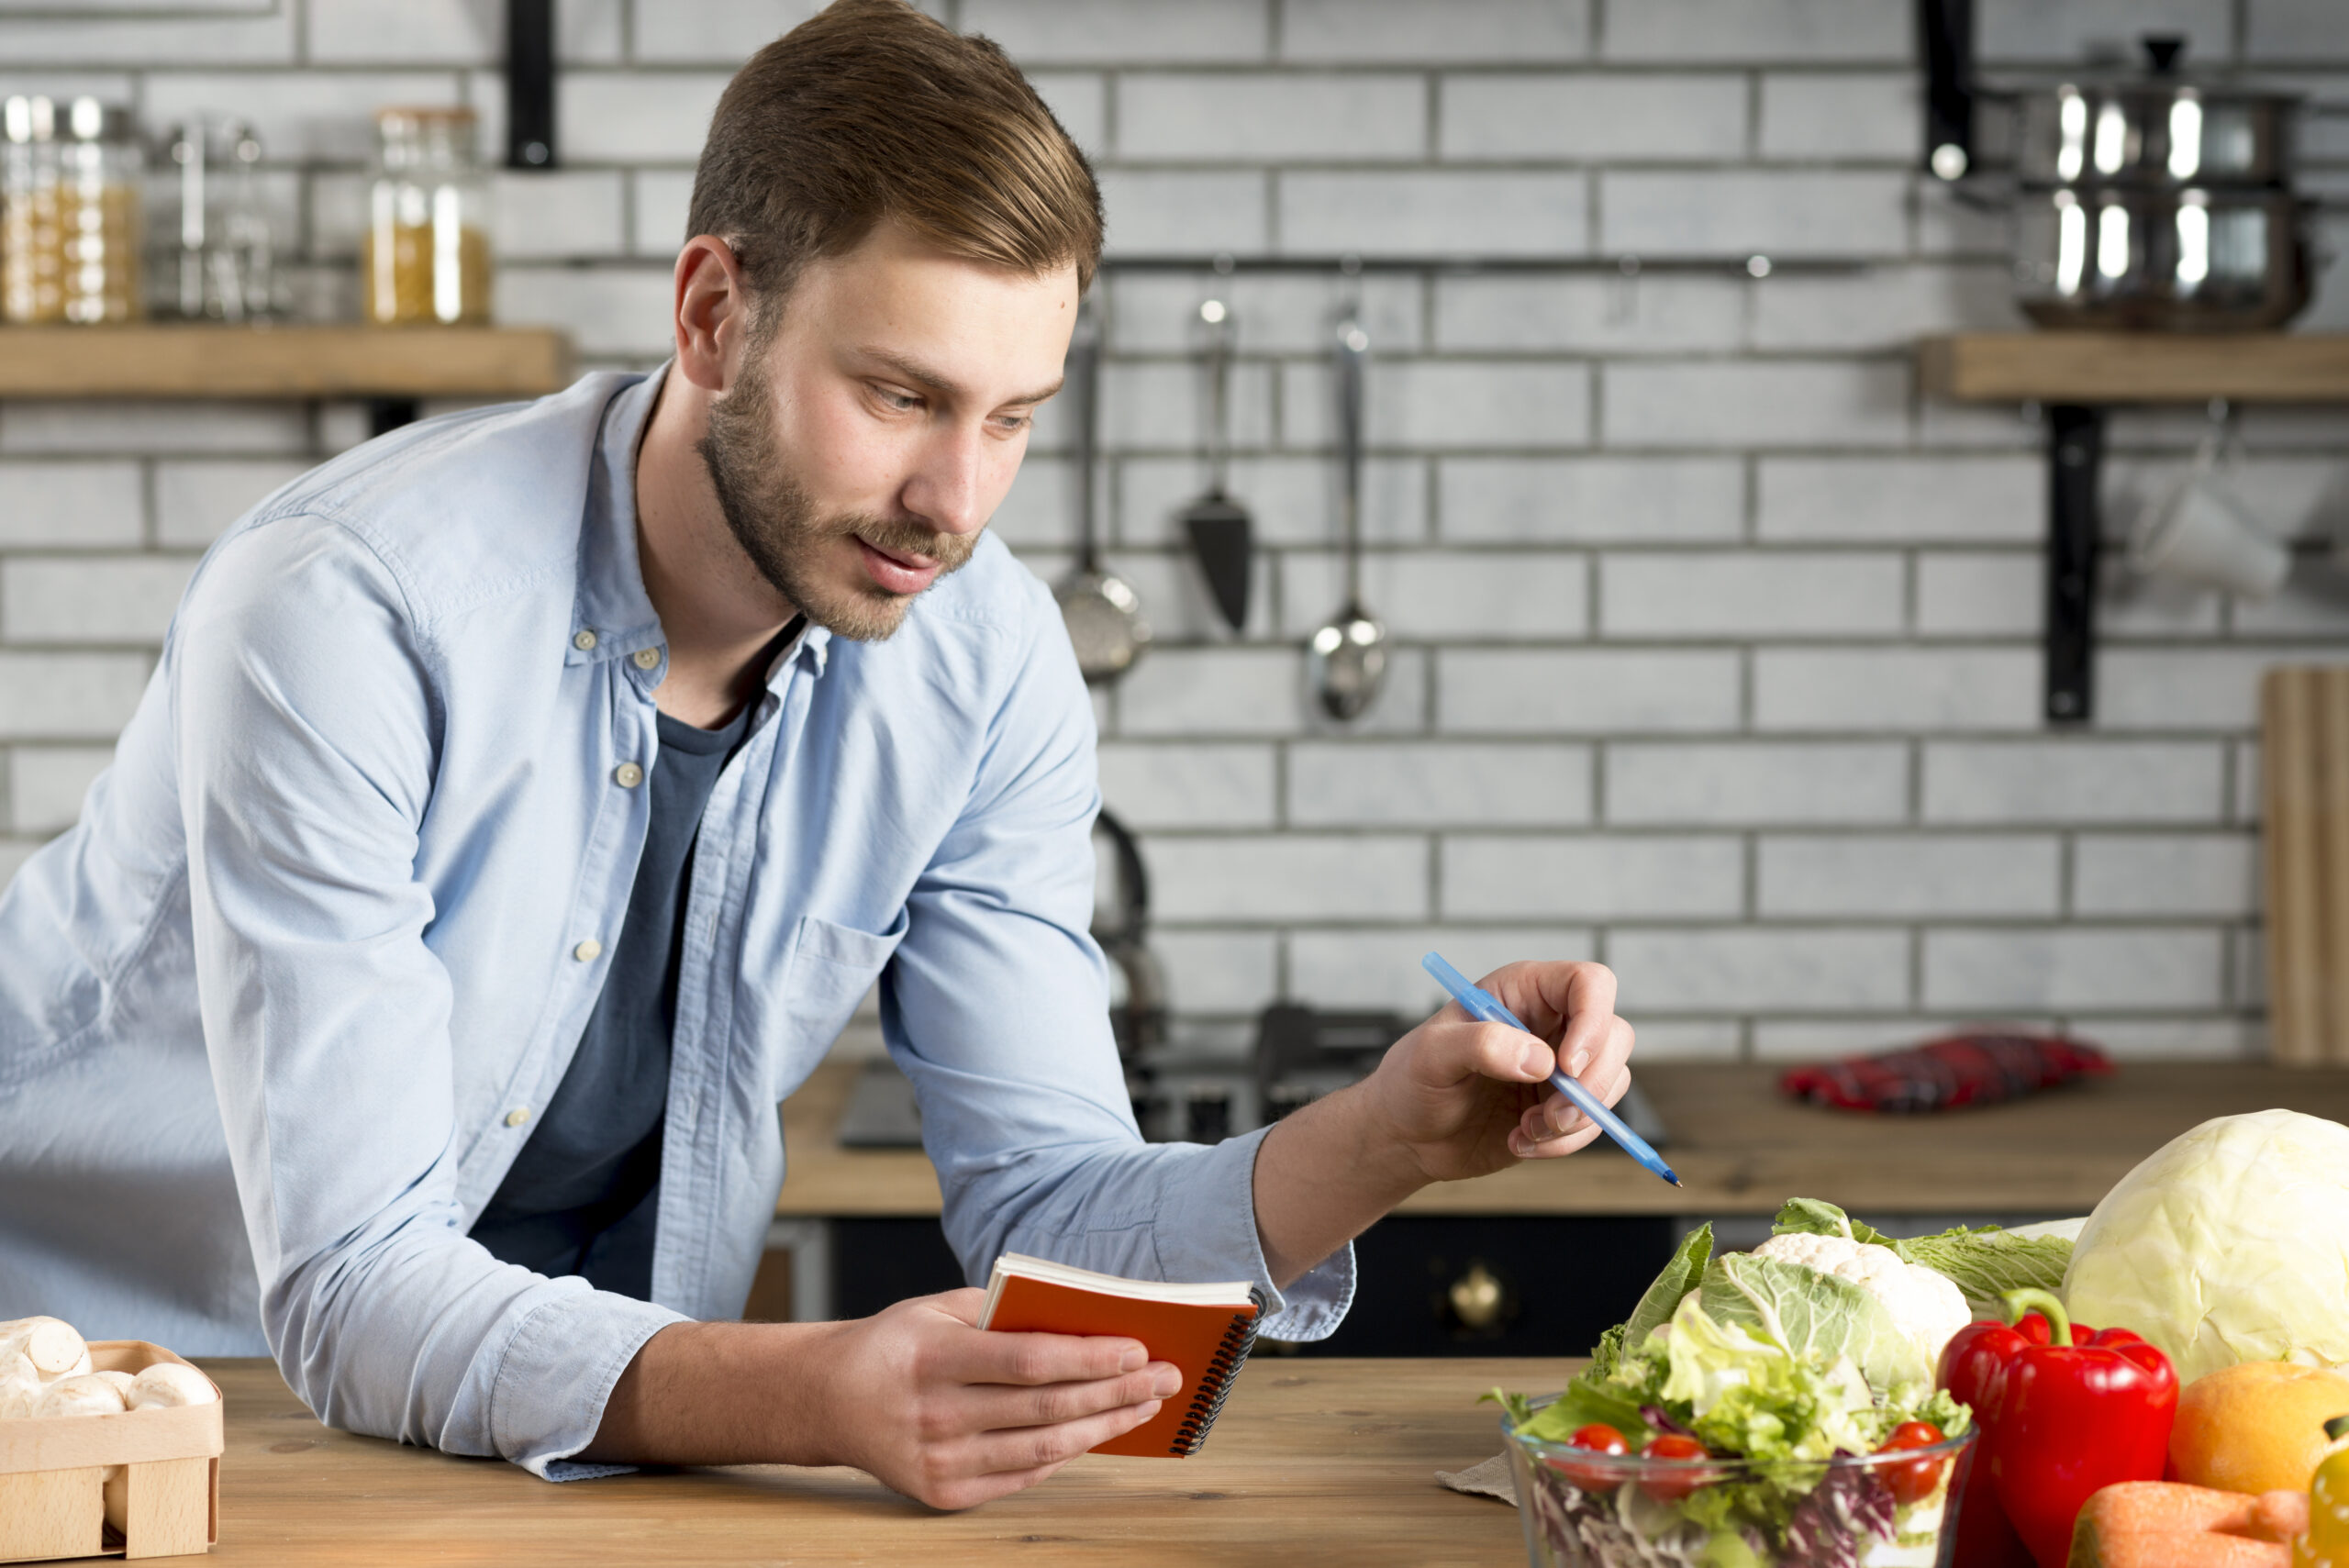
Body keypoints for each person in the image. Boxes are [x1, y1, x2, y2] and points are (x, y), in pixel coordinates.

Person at [0, 0, 1636, 1510]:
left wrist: (1386, 1138)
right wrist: (814, 1391)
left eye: (1012, 416)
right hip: (138, 1413)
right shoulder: (345, 609)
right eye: (902, 394)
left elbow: (1052, 1208)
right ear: (714, 315)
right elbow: (353, 1284)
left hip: (584, 1437)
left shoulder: (984, 660)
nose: (959, 499)